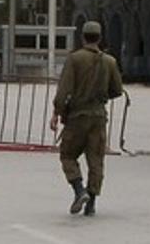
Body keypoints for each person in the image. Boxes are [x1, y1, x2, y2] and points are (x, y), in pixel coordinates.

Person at [50, 21, 124, 216]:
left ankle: (78, 190)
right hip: (99, 117)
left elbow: (63, 91)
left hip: (77, 117)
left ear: (83, 37)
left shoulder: (75, 59)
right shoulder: (110, 61)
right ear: (99, 38)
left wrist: (57, 113)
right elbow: (117, 90)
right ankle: (91, 202)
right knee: (96, 160)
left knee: (67, 155)